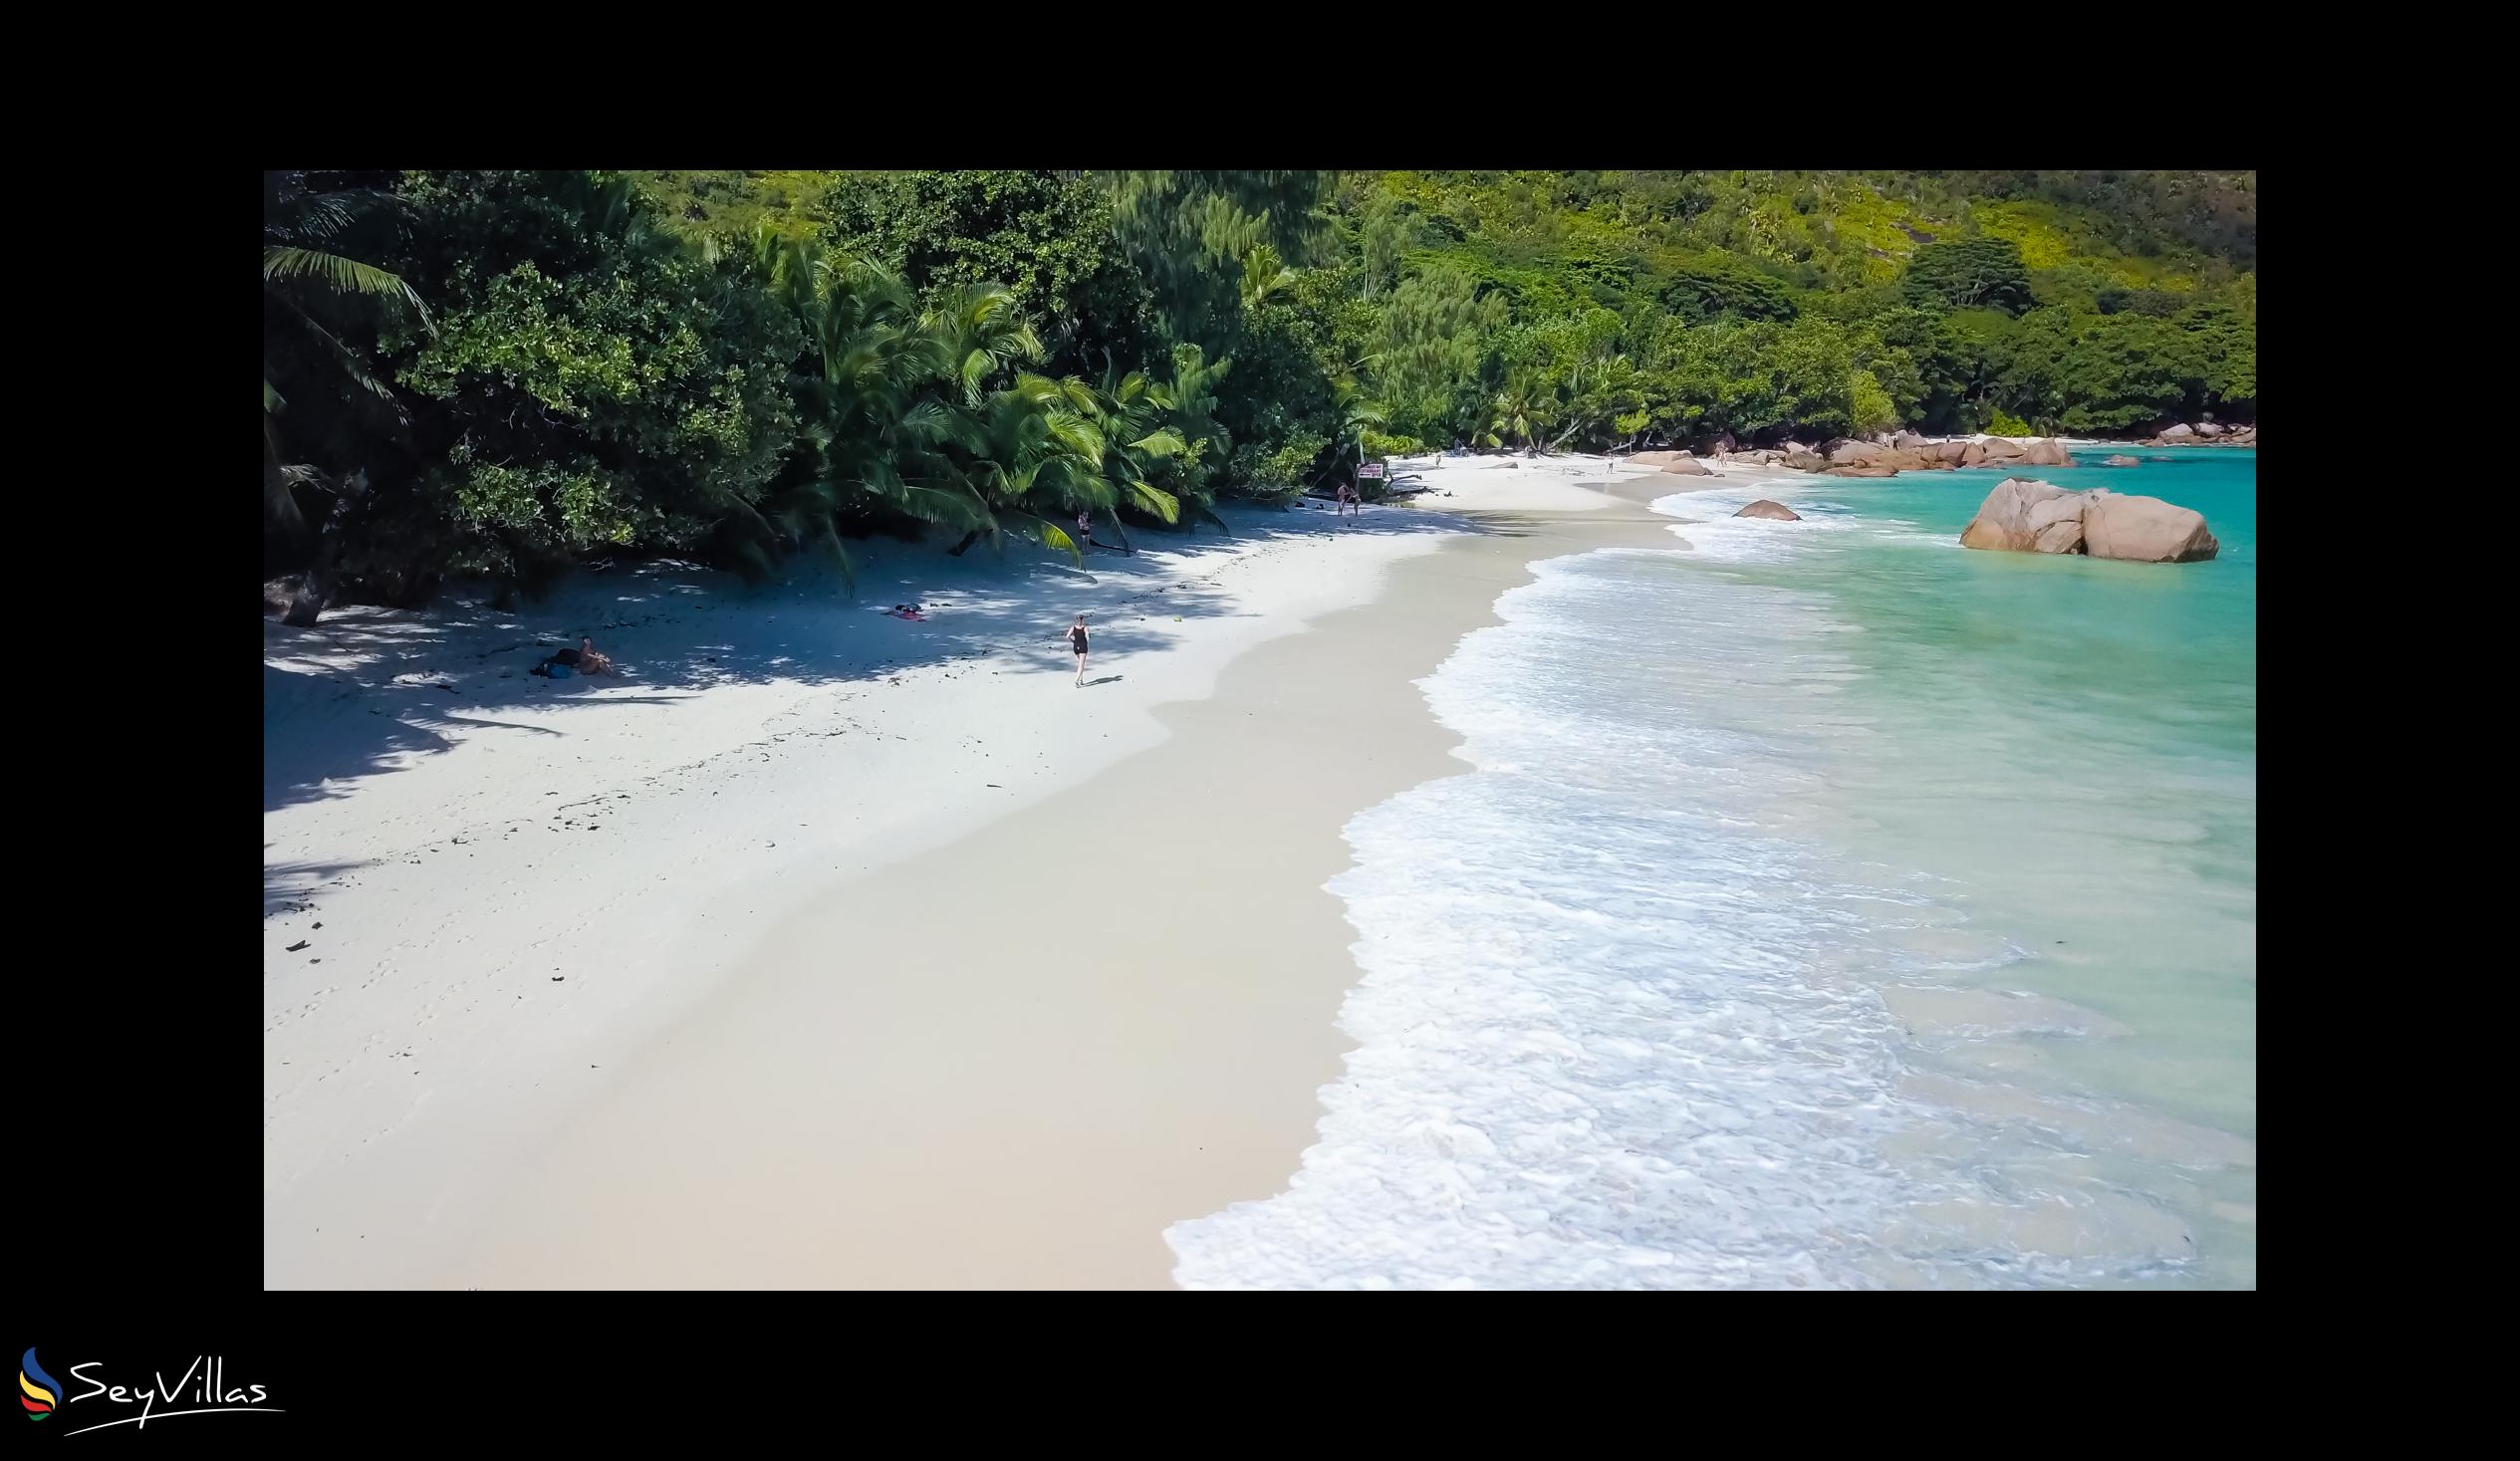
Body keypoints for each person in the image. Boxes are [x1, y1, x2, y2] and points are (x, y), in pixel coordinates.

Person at [1067, 613, 1090, 687]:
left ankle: (1081, 680)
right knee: (1081, 664)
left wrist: (1073, 641)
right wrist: (1087, 640)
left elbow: (1067, 636)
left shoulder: (1073, 627)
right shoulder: (1085, 627)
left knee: (1080, 663)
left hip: (1076, 646)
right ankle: (1076, 680)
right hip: (1083, 646)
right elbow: (1087, 636)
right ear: (1082, 620)